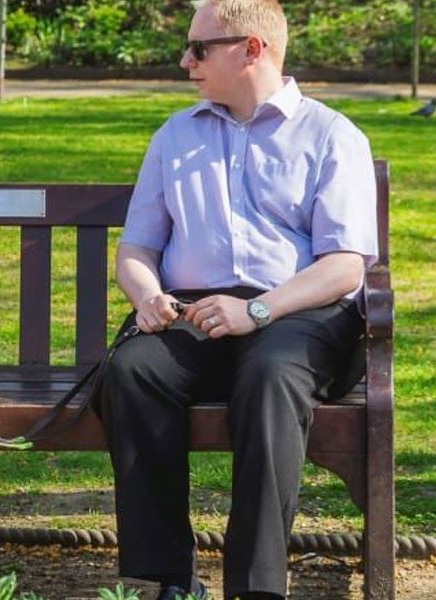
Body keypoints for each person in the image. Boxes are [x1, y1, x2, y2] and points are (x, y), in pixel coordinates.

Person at [97, 1, 377, 599]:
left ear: (251, 49)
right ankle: (169, 579)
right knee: (133, 371)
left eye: (199, 49)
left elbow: (344, 265)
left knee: (272, 376)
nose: (185, 61)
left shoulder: (331, 135)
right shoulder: (176, 135)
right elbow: (138, 248)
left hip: (300, 312)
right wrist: (147, 296)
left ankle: (255, 588)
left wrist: (257, 310)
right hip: (193, 311)